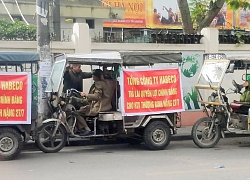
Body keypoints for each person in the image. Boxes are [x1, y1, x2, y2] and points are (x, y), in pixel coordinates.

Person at [73, 69, 112, 136]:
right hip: (108, 106)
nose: (93, 78)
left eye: (93, 76)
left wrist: (86, 95)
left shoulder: (98, 83)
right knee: (83, 108)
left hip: (98, 107)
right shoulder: (111, 83)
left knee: (76, 113)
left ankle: (87, 129)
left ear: (97, 76)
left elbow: (97, 97)